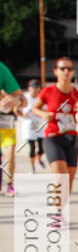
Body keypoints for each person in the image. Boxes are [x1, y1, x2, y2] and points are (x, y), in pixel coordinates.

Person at [33, 56, 78, 222]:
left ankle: (59, 210)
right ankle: (55, 214)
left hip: (71, 139)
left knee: (69, 180)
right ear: (56, 71)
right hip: (52, 137)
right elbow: (35, 109)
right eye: (63, 68)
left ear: (73, 72)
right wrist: (44, 114)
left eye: (69, 69)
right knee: (60, 176)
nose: (66, 71)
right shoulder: (48, 91)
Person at [0, 59, 25, 196]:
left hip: (5, 124)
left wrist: (17, 101)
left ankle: (9, 184)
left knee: (10, 155)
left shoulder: (1, 69)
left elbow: (23, 99)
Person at [21, 79, 47, 173]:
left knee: (42, 148)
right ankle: (32, 167)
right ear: (29, 88)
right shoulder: (25, 98)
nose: (35, 90)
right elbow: (19, 112)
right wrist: (25, 114)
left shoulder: (41, 98)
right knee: (32, 148)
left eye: (37, 88)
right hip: (29, 126)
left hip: (40, 126)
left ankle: (38, 158)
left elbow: (46, 110)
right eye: (33, 88)